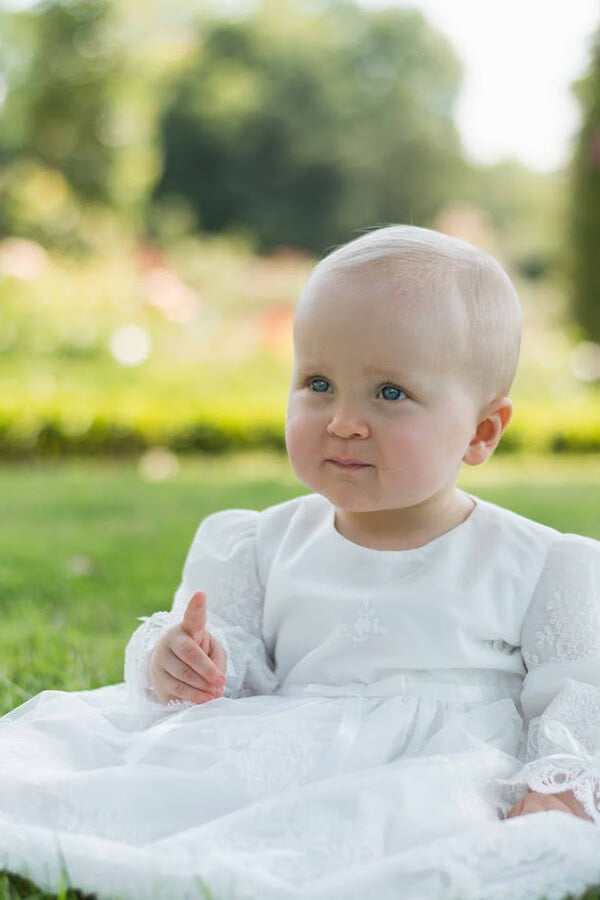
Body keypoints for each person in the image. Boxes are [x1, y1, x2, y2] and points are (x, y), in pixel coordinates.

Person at [1, 224, 600, 900]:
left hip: (442, 776)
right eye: (318, 382)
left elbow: (578, 699)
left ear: (481, 431)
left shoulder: (541, 565)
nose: (343, 420)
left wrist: (557, 785)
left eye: (390, 393)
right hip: (283, 752)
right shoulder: (258, 544)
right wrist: (190, 663)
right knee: (141, 799)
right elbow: (230, 664)